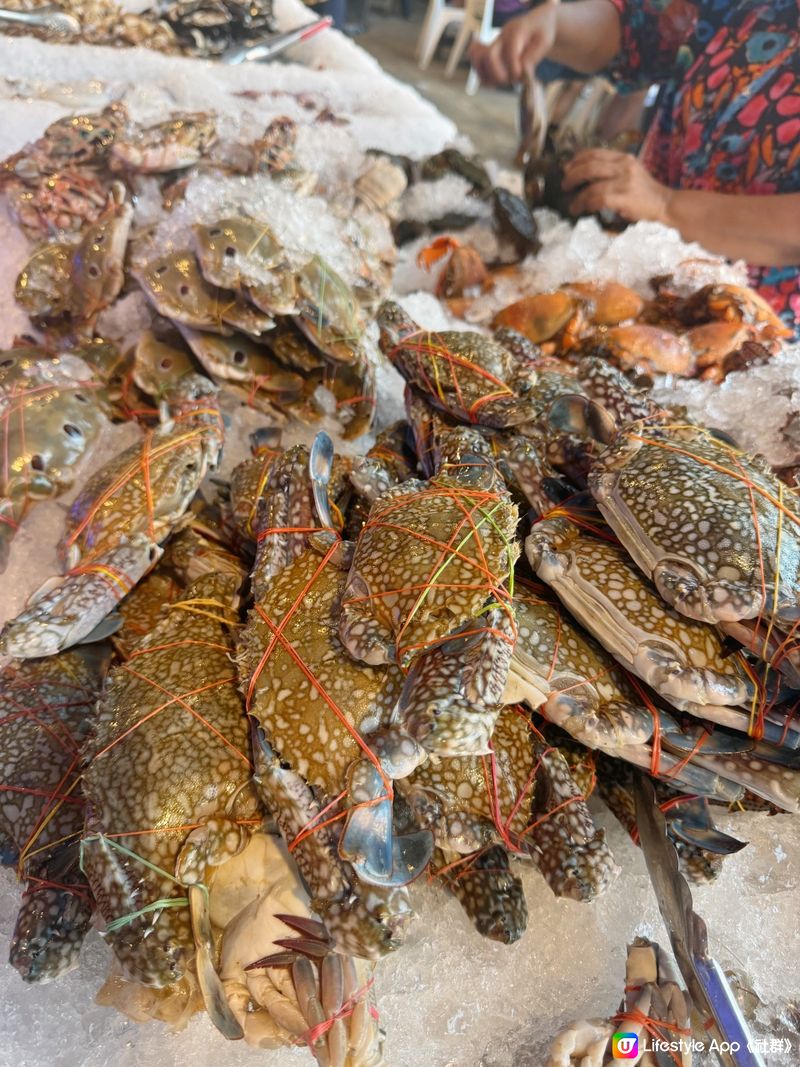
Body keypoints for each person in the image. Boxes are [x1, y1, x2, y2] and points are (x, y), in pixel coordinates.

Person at [470, 0, 800, 334]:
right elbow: (640, 29)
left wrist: (666, 205)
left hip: (756, 330)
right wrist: (556, 24)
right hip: (639, 275)